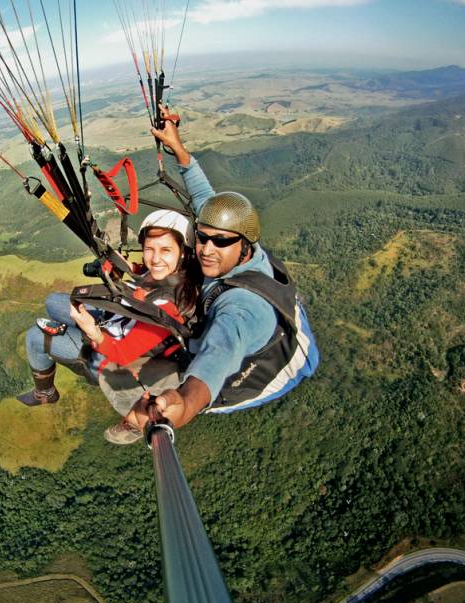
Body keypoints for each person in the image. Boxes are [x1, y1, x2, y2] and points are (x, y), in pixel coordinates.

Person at [117, 104, 319, 437]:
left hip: (256, 377)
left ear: (243, 245)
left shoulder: (239, 310)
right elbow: (207, 202)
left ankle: (139, 416)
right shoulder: (240, 246)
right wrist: (179, 151)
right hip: (247, 324)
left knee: (154, 364)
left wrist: (186, 403)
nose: (207, 249)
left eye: (220, 242)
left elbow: (218, 355)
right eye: (203, 237)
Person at [17, 210, 201, 440]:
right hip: (119, 323)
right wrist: (116, 265)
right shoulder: (167, 274)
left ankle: (45, 392)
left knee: (35, 337)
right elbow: (140, 274)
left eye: (165, 250)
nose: (155, 258)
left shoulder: (169, 307)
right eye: (149, 249)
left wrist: (92, 330)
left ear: (182, 253)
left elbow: (122, 353)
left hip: (113, 356)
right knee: (53, 302)